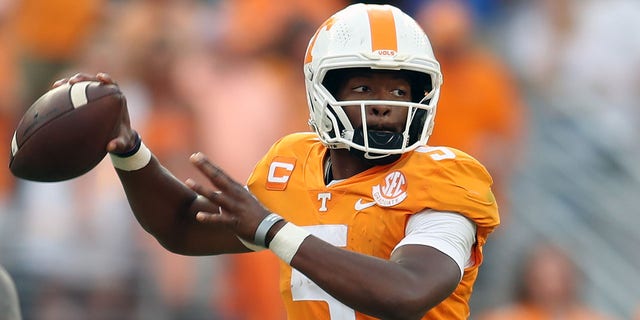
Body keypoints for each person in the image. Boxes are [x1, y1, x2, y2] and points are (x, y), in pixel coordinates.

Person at [56, 3, 499, 319]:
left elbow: (408, 292)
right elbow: (182, 229)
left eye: (399, 91)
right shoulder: (293, 163)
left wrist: (273, 230)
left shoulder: (444, 176)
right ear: (323, 93)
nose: (383, 104)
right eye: (364, 89)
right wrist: (131, 150)